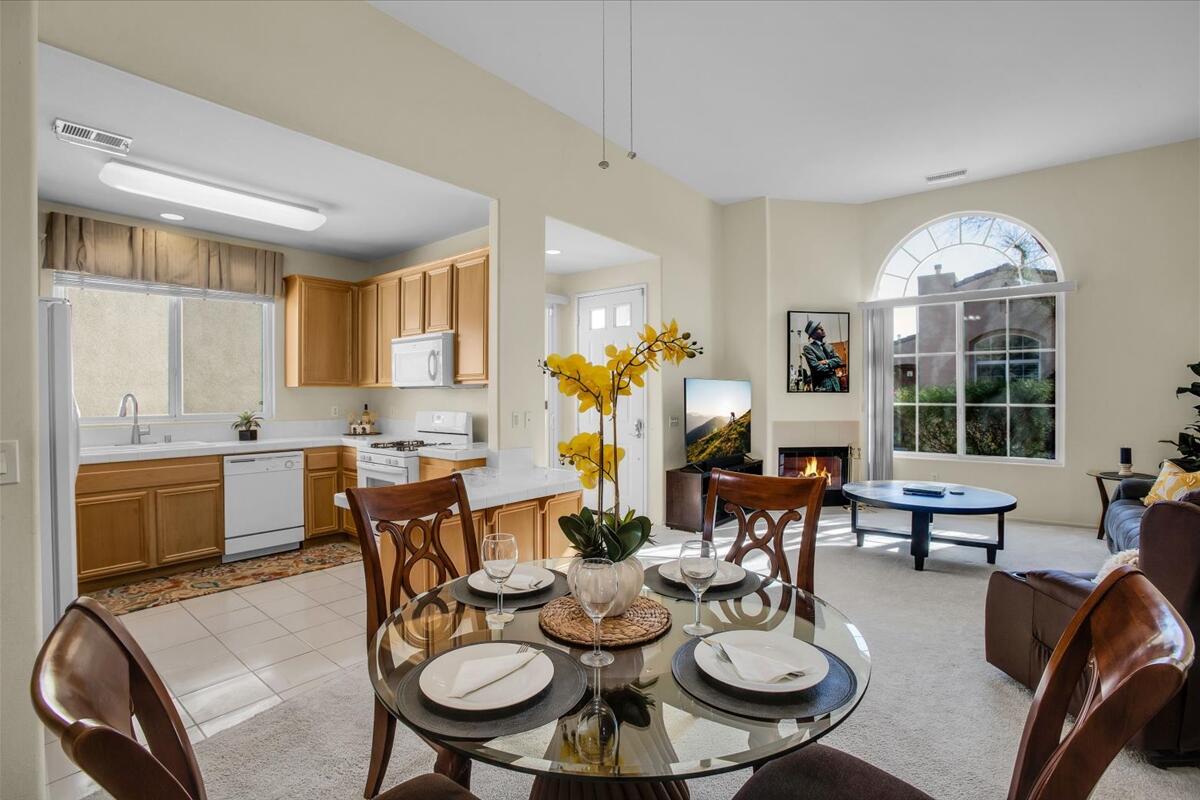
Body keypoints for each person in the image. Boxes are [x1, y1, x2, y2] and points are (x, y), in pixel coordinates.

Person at [802, 319, 845, 392]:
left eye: (822, 327)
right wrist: (832, 367)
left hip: (836, 385)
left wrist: (826, 361)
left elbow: (839, 361)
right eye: (819, 328)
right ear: (812, 335)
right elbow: (817, 368)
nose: (822, 329)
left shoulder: (829, 346)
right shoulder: (808, 348)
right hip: (822, 387)